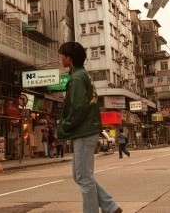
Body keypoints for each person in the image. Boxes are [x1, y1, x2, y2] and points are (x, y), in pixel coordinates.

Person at [56, 42, 122, 213]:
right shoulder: (81, 75)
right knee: (80, 176)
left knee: (84, 178)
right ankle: (109, 206)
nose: (61, 58)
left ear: (69, 58)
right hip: (86, 130)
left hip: (84, 132)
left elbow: (78, 108)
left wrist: (65, 125)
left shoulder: (77, 78)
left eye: (62, 55)